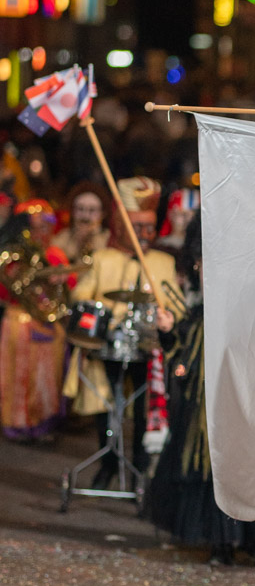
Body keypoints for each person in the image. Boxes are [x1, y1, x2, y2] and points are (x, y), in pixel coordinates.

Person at [147, 212, 255, 563]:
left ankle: (251, 539)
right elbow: (181, 361)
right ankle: (220, 542)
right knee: (210, 471)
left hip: (250, 407)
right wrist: (166, 332)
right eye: (205, 267)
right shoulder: (197, 319)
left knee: (253, 468)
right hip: (206, 415)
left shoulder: (254, 314)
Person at [63, 177, 184, 487]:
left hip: (148, 348)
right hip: (109, 345)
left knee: (145, 411)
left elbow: (177, 306)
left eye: (148, 227)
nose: (143, 235)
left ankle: (139, 471)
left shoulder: (162, 262)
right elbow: (81, 296)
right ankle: (108, 463)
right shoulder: (103, 259)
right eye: (136, 227)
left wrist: (166, 316)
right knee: (105, 406)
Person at [0, 201, 73, 441]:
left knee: (46, 377)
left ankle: (43, 423)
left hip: (48, 324)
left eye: (46, 226)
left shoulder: (54, 254)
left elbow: (69, 286)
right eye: (35, 227)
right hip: (19, 320)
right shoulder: (13, 255)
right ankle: (16, 425)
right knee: (19, 375)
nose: (41, 232)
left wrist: (59, 280)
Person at [51, 181, 110, 263]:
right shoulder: (62, 238)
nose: (85, 216)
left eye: (92, 210)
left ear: (102, 214)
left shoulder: (108, 240)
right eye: (80, 209)